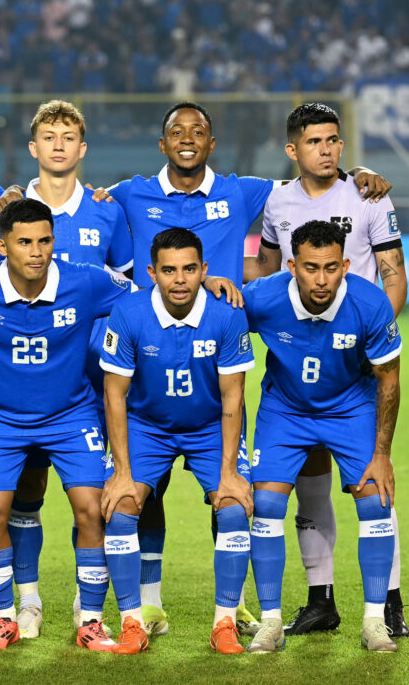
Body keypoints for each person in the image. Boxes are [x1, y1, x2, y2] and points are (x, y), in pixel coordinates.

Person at [0, 101, 392, 636]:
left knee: (232, 493)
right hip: (145, 356)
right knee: (136, 490)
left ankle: (236, 606)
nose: (187, 138)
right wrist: (19, 193)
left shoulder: (243, 190)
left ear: (211, 143)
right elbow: (66, 186)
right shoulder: (129, 193)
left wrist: (356, 175)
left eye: (198, 131)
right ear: (162, 145)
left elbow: (306, 175)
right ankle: (145, 605)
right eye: (176, 131)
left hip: (215, 350)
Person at [0, 198, 145, 654]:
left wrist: (207, 283)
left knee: (94, 509)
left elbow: (142, 295)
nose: (37, 251)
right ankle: (4, 618)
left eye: (45, 241)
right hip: (0, 418)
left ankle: (91, 620)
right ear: (1, 246)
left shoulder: (86, 280)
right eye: (25, 242)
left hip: (72, 415)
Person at [251, 102, 409, 637]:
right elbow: (270, 276)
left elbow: (394, 274)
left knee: (373, 483)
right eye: (316, 141)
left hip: (354, 356)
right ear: (294, 149)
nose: (328, 149)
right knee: (310, 486)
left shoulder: (368, 194)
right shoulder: (277, 201)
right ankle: (321, 600)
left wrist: (373, 335)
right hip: (296, 360)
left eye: (335, 140)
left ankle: (388, 603)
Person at [242, 220, 401, 653]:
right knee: (268, 505)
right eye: (311, 268)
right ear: (291, 265)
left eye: (332, 268)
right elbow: (220, 322)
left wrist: (382, 454)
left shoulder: (370, 305)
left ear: (346, 264)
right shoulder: (263, 298)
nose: (321, 279)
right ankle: (270, 622)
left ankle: (374, 622)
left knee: (375, 501)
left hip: (350, 408)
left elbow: (389, 379)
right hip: (285, 410)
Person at [9, 99, 134, 639]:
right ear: (33, 148)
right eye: (48, 136)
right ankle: (29, 601)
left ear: (82, 150)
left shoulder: (108, 210)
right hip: (22, 378)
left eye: (68, 137)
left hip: (92, 381)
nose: (58, 145)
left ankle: (93, 611)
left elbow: (128, 291)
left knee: (95, 497)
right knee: (25, 490)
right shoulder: (8, 207)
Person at [101, 227, 255, 655]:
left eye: (190, 269)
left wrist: (228, 473)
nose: (180, 279)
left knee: (234, 506)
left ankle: (225, 622)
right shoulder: (129, 314)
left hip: (209, 426)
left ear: (204, 270)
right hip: (147, 426)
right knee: (120, 508)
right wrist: (122, 472)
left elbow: (233, 396)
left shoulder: (226, 316)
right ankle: (133, 623)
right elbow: (114, 394)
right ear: (152, 272)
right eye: (169, 270)